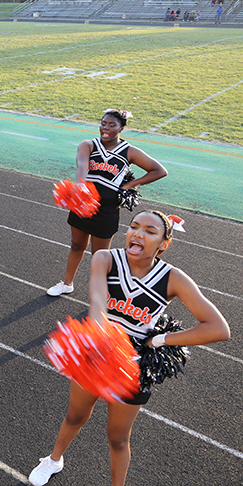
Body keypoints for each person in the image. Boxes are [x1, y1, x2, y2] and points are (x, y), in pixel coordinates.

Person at [28, 210, 230, 486]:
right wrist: (102, 341)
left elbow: (219, 329)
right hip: (98, 348)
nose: (138, 233)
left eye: (149, 231)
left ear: (163, 244)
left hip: (135, 364)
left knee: (118, 438)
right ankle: (53, 460)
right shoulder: (106, 258)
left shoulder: (173, 278)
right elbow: (97, 301)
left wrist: (160, 340)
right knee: (75, 416)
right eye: (134, 226)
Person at [47, 110, 168, 297]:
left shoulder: (129, 151)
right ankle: (67, 284)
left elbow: (159, 171)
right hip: (83, 205)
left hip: (107, 209)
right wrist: (81, 188)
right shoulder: (88, 145)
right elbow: (82, 165)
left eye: (112, 125)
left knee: (100, 255)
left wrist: (129, 184)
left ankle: (100, 294)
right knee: (76, 246)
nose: (106, 128)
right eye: (104, 123)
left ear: (122, 128)